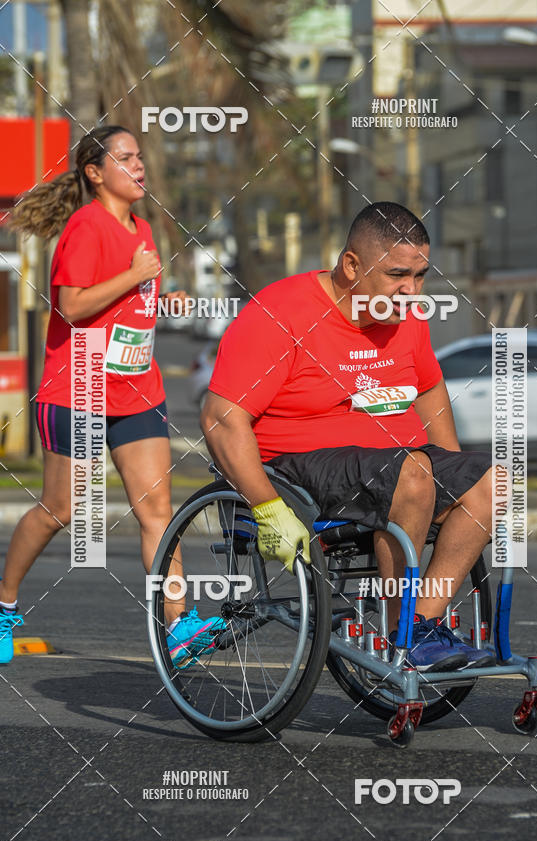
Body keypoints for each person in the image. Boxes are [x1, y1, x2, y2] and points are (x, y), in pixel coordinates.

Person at [200, 202, 496, 671]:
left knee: (492, 481)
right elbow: (220, 417)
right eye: (397, 275)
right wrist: (267, 506)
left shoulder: (405, 316)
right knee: (413, 472)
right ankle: (405, 633)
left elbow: (428, 387)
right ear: (352, 265)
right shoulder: (281, 312)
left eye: (420, 275)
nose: (412, 290)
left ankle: (420, 624)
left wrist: (453, 472)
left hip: (395, 467)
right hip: (301, 469)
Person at [0, 125, 222, 667]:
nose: (139, 165)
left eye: (140, 156)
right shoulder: (86, 226)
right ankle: (4, 604)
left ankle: (179, 625)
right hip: (77, 389)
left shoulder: (142, 230)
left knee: (158, 512)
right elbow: (72, 305)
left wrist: (161, 299)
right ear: (95, 173)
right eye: (126, 158)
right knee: (60, 509)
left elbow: (126, 307)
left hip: (137, 391)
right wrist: (134, 275)